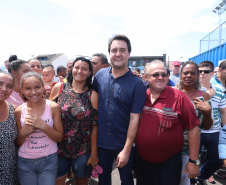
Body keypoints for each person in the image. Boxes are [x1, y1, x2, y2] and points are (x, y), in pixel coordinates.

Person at [92, 34, 146, 185]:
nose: (118, 54)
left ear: (129, 53)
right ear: (109, 53)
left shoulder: (137, 84)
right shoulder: (99, 76)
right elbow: (94, 108)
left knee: (127, 181)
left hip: (124, 144)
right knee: (103, 180)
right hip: (101, 144)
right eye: (114, 50)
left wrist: (127, 149)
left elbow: (135, 118)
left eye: (122, 50)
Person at [136, 60, 201, 185]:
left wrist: (193, 161)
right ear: (145, 77)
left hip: (169, 164)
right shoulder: (140, 96)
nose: (160, 78)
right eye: (155, 74)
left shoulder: (179, 97)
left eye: (164, 74)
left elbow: (193, 128)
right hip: (142, 162)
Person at [49, 57, 98, 185]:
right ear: (71, 70)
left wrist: (94, 154)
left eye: (84, 69)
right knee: (57, 181)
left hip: (82, 149)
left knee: (81, 181)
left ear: (89, 72)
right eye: (77, 67)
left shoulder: (92, 94)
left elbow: (95, 126)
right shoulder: (59, 88)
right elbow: (48, 115)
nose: (80, 71)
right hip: (58, 147)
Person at [15, 72, 63, 185]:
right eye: (28, 88)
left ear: (43, 87)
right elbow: (18, 142)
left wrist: (43, 126)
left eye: (37, 87)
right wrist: (23, 133)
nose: (33, 92)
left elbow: (59, 137)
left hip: (49, 159)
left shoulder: (53, 107)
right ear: (22, 90)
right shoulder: (19, 111)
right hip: (25, 161)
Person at [176, 61, 213, 185]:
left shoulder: (204, 96)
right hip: (171, 144)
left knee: (184, 178)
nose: (189, 75)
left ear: (197, 75)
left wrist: (207, 112)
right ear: (181, 74)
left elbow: (207, 126)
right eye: (185, 72)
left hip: (190, 147)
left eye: (193, 73)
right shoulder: (172, 92)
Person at [197, 60, 226, 184]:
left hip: (215, 131)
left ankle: (201, 176)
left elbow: (223, 112)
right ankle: (191, 180)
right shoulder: (192, 89)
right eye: (199, 71)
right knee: (191, 159)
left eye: (206, 71)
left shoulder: (220, 90)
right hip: (195, 130)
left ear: (212, 73)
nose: (202, 74)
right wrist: (205, 95)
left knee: (218, 160)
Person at [0, 71, 19, 185]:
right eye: (0, 84)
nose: (4, 89)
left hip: (11, 172)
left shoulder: (14, 109)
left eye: (9, 86)